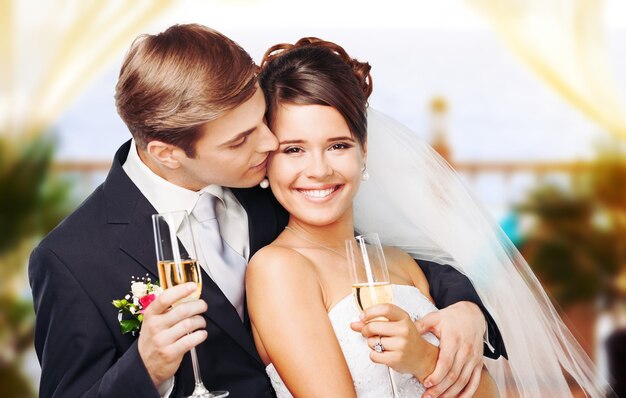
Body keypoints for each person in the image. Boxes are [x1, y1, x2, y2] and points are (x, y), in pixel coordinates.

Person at [29, 24, 504, 398]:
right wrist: (147, 367)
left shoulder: (268, 182)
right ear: (167, 153)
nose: (270, 143)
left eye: (260, 120)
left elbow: (366, 259)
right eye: (242, 138)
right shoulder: (72, 259)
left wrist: (465, 308)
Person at [247, 37, 611, 397]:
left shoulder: (401, 264)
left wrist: (422, 358)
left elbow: (486, 393)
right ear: (266, 158)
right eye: (293, 150)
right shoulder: (278, 269)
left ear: (364, 151)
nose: (319, 170)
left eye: (338, 146)